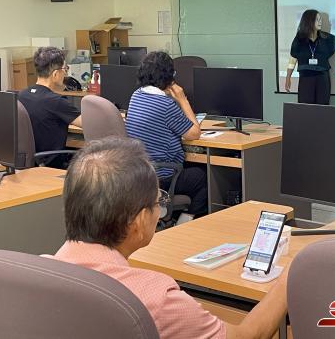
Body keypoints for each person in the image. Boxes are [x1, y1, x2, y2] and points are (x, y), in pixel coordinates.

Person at [52, 137, 288, 339]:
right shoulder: (157, 299)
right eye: (158, 201)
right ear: (139, 221)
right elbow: (247, 336)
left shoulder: (44, 272)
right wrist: (289, 278)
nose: (159, 210)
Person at [125, 51, 208, 217]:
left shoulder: (136, 95)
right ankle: (186, 223)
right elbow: (194, 133)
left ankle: (177, 218)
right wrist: (182, 99)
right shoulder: (165, 104)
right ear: (169, 77)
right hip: (163, 177)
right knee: (202, 177)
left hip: (142, 175)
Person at [285, 9, 335, 104]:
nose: (320, 22)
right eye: (317, 20)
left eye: (320, 19)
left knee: (322, 107)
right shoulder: (299, 39)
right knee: (306, 108)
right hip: (306, 78)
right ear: (309, 21)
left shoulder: (326, 37)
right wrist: (288, 77)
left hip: (322, 78)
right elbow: (293, 59)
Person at [18, 46, 82, 169]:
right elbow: (87, 123)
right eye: (65, 69)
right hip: (52, 165)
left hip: (31, 162)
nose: (65, 73)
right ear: (55, 74)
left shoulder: (22, 94)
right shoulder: (56, 101)